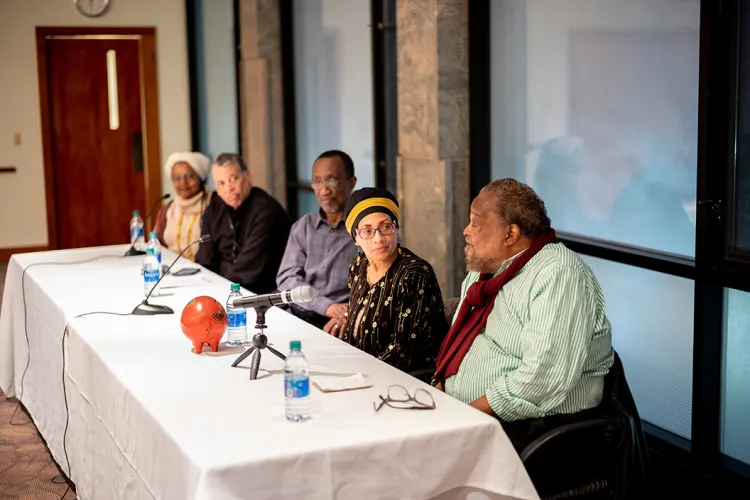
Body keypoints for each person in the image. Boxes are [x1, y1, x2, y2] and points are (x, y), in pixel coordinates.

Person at [433, 178, 614, 425]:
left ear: (510, 234)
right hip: (463, 413)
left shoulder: (559, 274)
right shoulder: (484, 270)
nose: (466, 230)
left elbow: (543, 378)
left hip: (533, 428)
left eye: (475, 223)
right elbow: (459, 342)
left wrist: (463, 417)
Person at [331, 188, 448, 373]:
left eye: (385, 227)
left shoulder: (415, 274)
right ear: (356, 239)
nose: (378, 238)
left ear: (396, 228)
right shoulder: (358, 266)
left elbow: (402, 352)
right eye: (367, 231)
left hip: (406, 378)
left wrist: (357, 376)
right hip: (363, 371)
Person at [276, 150, 358, 329]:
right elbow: (286, 279)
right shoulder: (303, 226)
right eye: (317, 181)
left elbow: (376, 288)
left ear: (351, 182)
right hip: (297, 315)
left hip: (339, 321)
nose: (323, 190)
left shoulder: (365, 230)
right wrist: (325, 306)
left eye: (331, 180)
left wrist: (347, 313)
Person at [195, 153, 291, 294]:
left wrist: (218, 292)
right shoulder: (214, 210)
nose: (229, 188)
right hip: (225, 288)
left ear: (248, 177)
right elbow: (205, 260)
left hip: (262, 293)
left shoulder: (267, 211)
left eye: (233, 179)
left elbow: (248, 270)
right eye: (221, 183)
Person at [154, 151, 213, 261]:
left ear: (201, 178)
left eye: (189, 176)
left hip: (207, 272)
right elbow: (156, 245)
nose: (183, 183)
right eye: (176, 177)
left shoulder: (214, 204)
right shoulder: (167, 210)